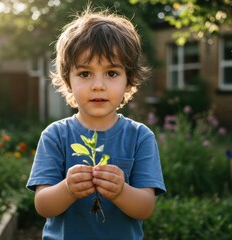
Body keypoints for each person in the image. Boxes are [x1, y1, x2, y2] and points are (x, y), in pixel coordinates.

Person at [26, 6, 166, 240]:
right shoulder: (55, 135)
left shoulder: (140, 137)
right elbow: (43, 205)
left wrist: (121, 191)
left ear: (128, 81)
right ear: (68, 81)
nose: (98, 85)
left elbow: (145, 208)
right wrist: (68, 189)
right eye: (85, 74)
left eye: (111, 73)